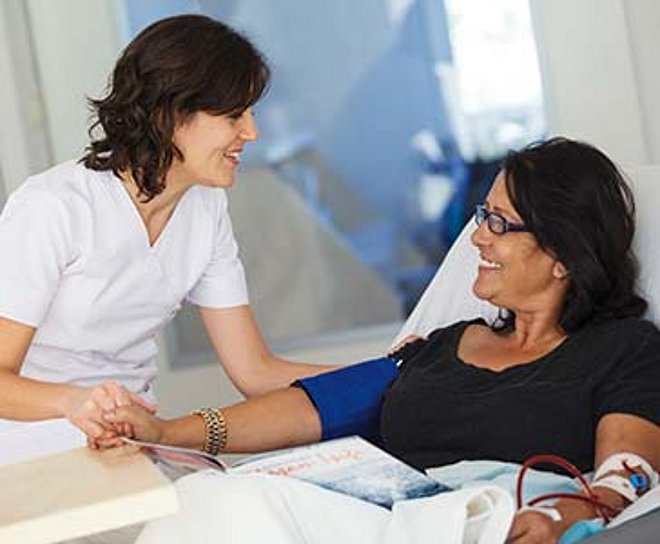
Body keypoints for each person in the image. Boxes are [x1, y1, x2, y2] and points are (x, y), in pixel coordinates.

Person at [102, 138, 659, 544]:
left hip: (489, 519)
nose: (478, 237)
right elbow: (316, 405)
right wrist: (168, 433)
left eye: (500, 223)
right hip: (384, 516)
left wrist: (566, 514)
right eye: (482, 215)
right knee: (209, 499)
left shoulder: (624, 350)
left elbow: (625, 476)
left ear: (563, 254)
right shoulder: (443, 345)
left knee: (233, 508)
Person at [0, 14, 330, 455]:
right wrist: (72, 401)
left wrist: (388, 374)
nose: (251, 132)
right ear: (169, 114)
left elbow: (255, 372)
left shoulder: (205, 208)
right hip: (33, 449)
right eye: (234, 115)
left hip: (130, 443)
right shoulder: (53, 207)